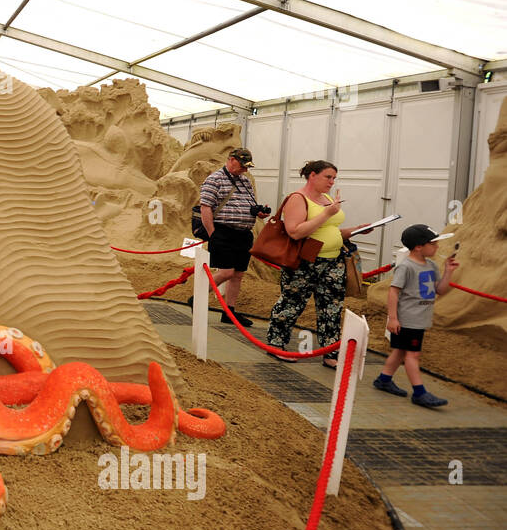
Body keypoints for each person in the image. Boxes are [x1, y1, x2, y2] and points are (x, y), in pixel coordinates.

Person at [265, 160, 365, 367]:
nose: (332, 182)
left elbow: (333, 231)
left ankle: (331, 351)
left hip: (333, 260)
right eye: (328, 177)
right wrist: (327, 213)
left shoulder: (327, 198)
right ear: (312, 175)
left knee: (332, 307)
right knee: (291, 303)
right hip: (305, 261)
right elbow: (295, 231)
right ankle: (277, 344)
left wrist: (355, 230)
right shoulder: (298, 198)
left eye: (334, 178)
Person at [373, 224, 459, 408]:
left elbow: (440, 290)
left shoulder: (431, 265)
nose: (437, 247)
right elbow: (393, 292)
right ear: (419, 246)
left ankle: (384, 379)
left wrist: (448, 272)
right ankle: (419, 393)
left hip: (420, 319)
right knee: (412, 355)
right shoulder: (406, 267)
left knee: (400, 351)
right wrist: (393, 318)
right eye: (433, 243)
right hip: (408, 319)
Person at [197, 147, 269, 327]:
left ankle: (229, 312)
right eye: (242, 165)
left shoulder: (245, 181)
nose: (245, 169)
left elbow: (248, 204)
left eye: (247, 167)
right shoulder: (214, 179)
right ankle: (197, 297)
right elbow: (205, 207)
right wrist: (213, 234)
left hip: (243, 234)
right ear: (231, 160)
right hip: (223, 232)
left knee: (237, 275)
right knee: (226, 272)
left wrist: (258, 212)